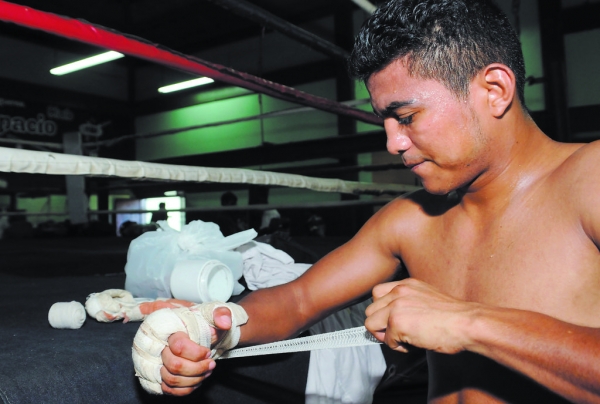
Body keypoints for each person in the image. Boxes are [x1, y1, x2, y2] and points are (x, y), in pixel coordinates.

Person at [156, 1, 600, 402]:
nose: (392, 142)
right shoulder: (409, 221)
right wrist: (205, 328)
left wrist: (470, 324)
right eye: (384, 121)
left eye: (406, 117)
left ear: (495, 90)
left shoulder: (590, 179)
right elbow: (296, 301)